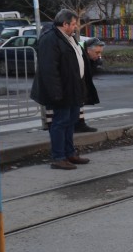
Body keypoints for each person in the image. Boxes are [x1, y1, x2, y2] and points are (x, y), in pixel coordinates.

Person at [30, 9, 91, 171]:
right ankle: (58, 157)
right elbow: (49, 69)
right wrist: (56, 93)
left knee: (71, 121)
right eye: (73, 24)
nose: (76, 27)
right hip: (61, 90)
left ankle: (69, 153)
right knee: (60, 122)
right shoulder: (50, 39)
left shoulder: (68, 38)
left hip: (72, 88)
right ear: (64, 24)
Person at [74, 37, 105, 133]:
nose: (99, 55)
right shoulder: (78, 53)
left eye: (100, 53)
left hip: (80, 82)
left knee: (80, 102)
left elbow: (89, 73)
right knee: (76, 102)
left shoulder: (88, 55)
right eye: (97, 53)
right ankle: (77, 125)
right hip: (74, 82)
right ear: (88, 50)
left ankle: (80, 124)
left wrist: (95, 63)